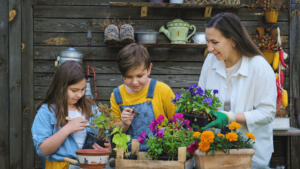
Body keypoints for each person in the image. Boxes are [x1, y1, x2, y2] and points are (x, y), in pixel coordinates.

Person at [199, 13, 277, 168]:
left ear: (233, 40)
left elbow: (267, 113)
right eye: (207, 42)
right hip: (216, 152)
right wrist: (193, 109)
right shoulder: (210, 61)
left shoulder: (259, 67)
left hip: (251, 156)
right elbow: (202, 98)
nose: (209, 48)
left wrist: (230, 117)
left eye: (215, 42)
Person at [31, 60, 112, 169]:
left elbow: (105, 138)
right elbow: (43, 150)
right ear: (61, 87)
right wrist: (67, 129)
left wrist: (107, 148)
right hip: (62, 165)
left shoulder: (92, 109)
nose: (79, 94)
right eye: (74, 90)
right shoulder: (47, 112)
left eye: (83, 89)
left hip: (92, 165)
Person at [110, 43, 177, 151]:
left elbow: (177, 122)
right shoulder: (117, 95)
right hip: (130, 159)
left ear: (149, 69)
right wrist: (124, 123)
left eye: (140, 76)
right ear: (122, 74)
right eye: (129, 77)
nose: (135, 82)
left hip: (160, 156)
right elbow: (114, 131)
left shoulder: (162, 90)